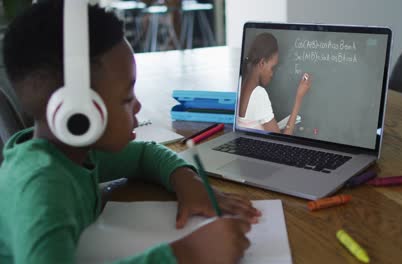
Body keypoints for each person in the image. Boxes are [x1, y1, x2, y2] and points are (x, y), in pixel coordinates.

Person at [0, 2, 260, 264]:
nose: (137, 106)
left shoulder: (73, 153)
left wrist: (188, 182)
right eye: (126, 98)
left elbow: (144, 155)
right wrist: (186, 254)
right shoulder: (42, 189)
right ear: (78, 114)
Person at [238, 32, 312, 135]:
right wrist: (299, 98)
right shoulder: (259, 94)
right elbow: (282, 144)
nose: (272, 74)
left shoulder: (240, 84)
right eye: (272, 68)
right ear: (262, 63)